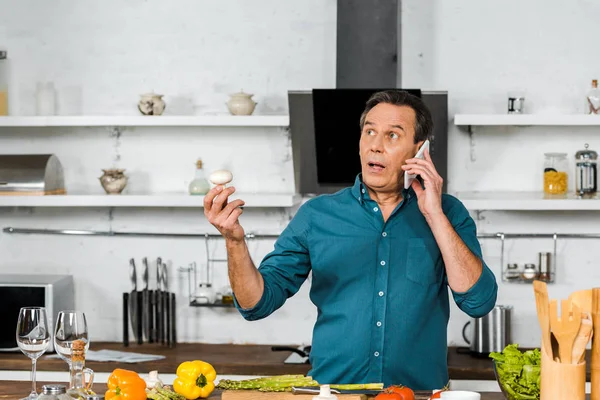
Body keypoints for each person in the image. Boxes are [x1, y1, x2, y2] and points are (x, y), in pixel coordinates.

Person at [204, 90, 498, 390]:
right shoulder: (317, 215)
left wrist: (434, 215)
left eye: (393, 136)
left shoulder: (449, 213)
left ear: (418, 151)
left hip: (418, 395)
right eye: (369, 131)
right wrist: (234, 242)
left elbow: (479, 302)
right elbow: (256, 304)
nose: (375, 146)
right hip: (333, 396)